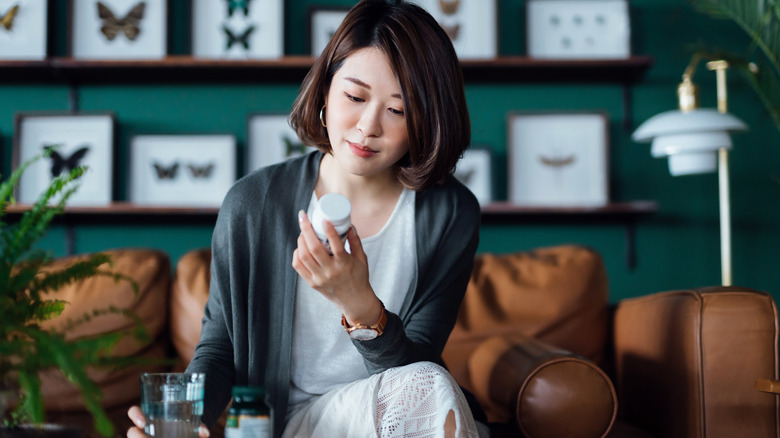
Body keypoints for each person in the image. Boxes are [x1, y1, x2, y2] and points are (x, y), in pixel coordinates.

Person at [128, 0, 483, 436]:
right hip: (288, 423)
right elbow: (220, 347)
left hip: (396, 416)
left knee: (426, 383)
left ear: (428, 120)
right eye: (354, 96)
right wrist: (182, 421)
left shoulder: (448, 213)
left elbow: (415, 365)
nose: (367, 126)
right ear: (326, 89)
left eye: (398, 110)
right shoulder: (253, 202)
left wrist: (359, 304)